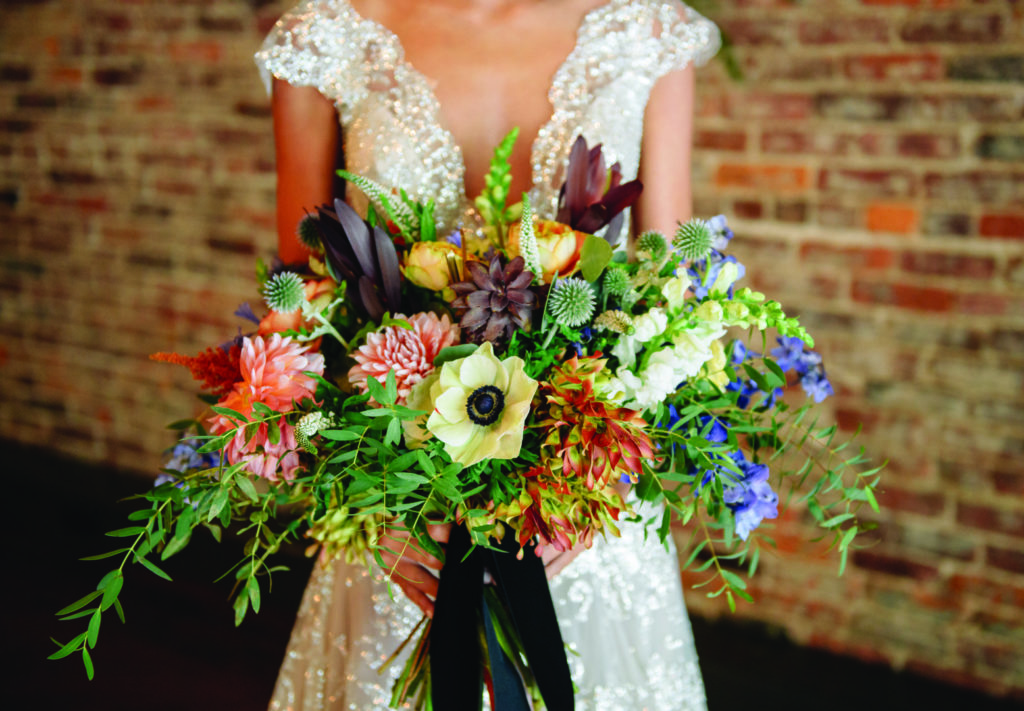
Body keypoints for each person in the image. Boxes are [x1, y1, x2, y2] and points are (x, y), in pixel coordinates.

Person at [255, 1, 720, 708]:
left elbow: (674, 294)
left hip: (585, 524)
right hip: (399, 519)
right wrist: (357, 502)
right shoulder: (325, 32)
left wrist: (601, 480)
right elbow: (298, 296)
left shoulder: (647, 30)